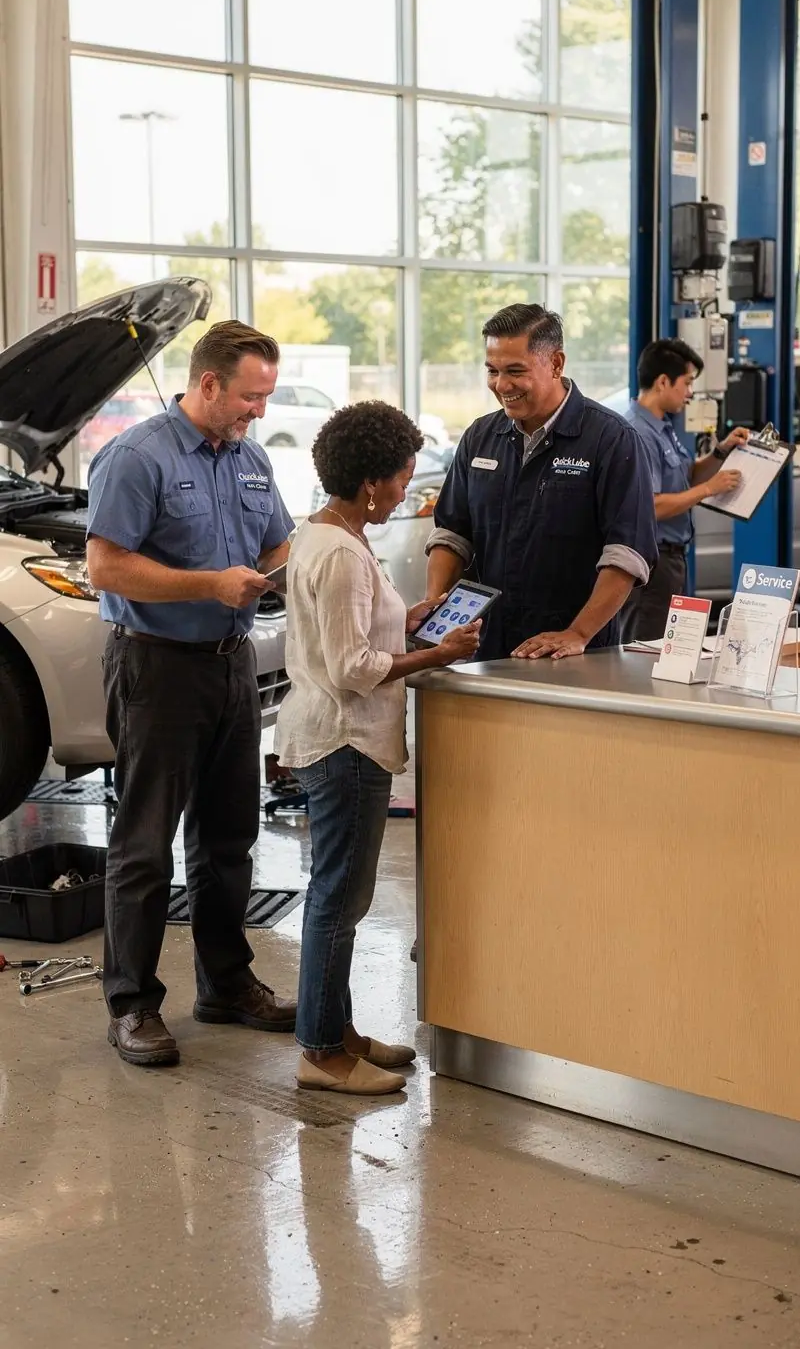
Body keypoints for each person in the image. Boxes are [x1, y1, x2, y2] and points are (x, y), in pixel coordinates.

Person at [86, 320, 297, 1068]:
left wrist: (291, 562)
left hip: (232, 663)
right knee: (144, 844)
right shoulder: (137, 458)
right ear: (207, 384)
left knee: (230, 835)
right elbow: (106, 569)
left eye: (265, 397)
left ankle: (225, 983)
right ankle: (132, 1005)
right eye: (249, 397)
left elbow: (278, 542)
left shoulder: (249, 459)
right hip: (156, 667)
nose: (258, 413)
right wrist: (209, 583)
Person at [275, 401, 481, 1096]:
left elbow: (359, 632)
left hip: (335, 738)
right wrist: (437, 655)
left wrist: (414, 620)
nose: (405, 491)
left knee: (341, 896)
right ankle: (319, 1053)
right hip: (344, 744)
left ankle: (339, 1031)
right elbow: (352, 669)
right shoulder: (340, 555)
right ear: (372, 481)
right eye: (402, 478)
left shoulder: (328, 534)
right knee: (338, 900)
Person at [424, 303, 658, 661]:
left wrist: (578, 633)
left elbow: (626, 553)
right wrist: (434, 611)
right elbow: (453, 535)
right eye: (492, 371)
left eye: (515, 371)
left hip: (575, 655)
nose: (502, 385)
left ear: (556, 363)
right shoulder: (480, 436)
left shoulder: (611, 439)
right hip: (489, 648)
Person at [620, 338, 749, 642]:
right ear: (663, 382)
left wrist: (721, 452)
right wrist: (708, 489)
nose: (691, 393)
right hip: (651, 564)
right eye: (687, 383)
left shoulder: (661, 427)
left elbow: (684, 477)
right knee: (644, 653)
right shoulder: (638, 432)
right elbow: (650, 506)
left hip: (671, 561)